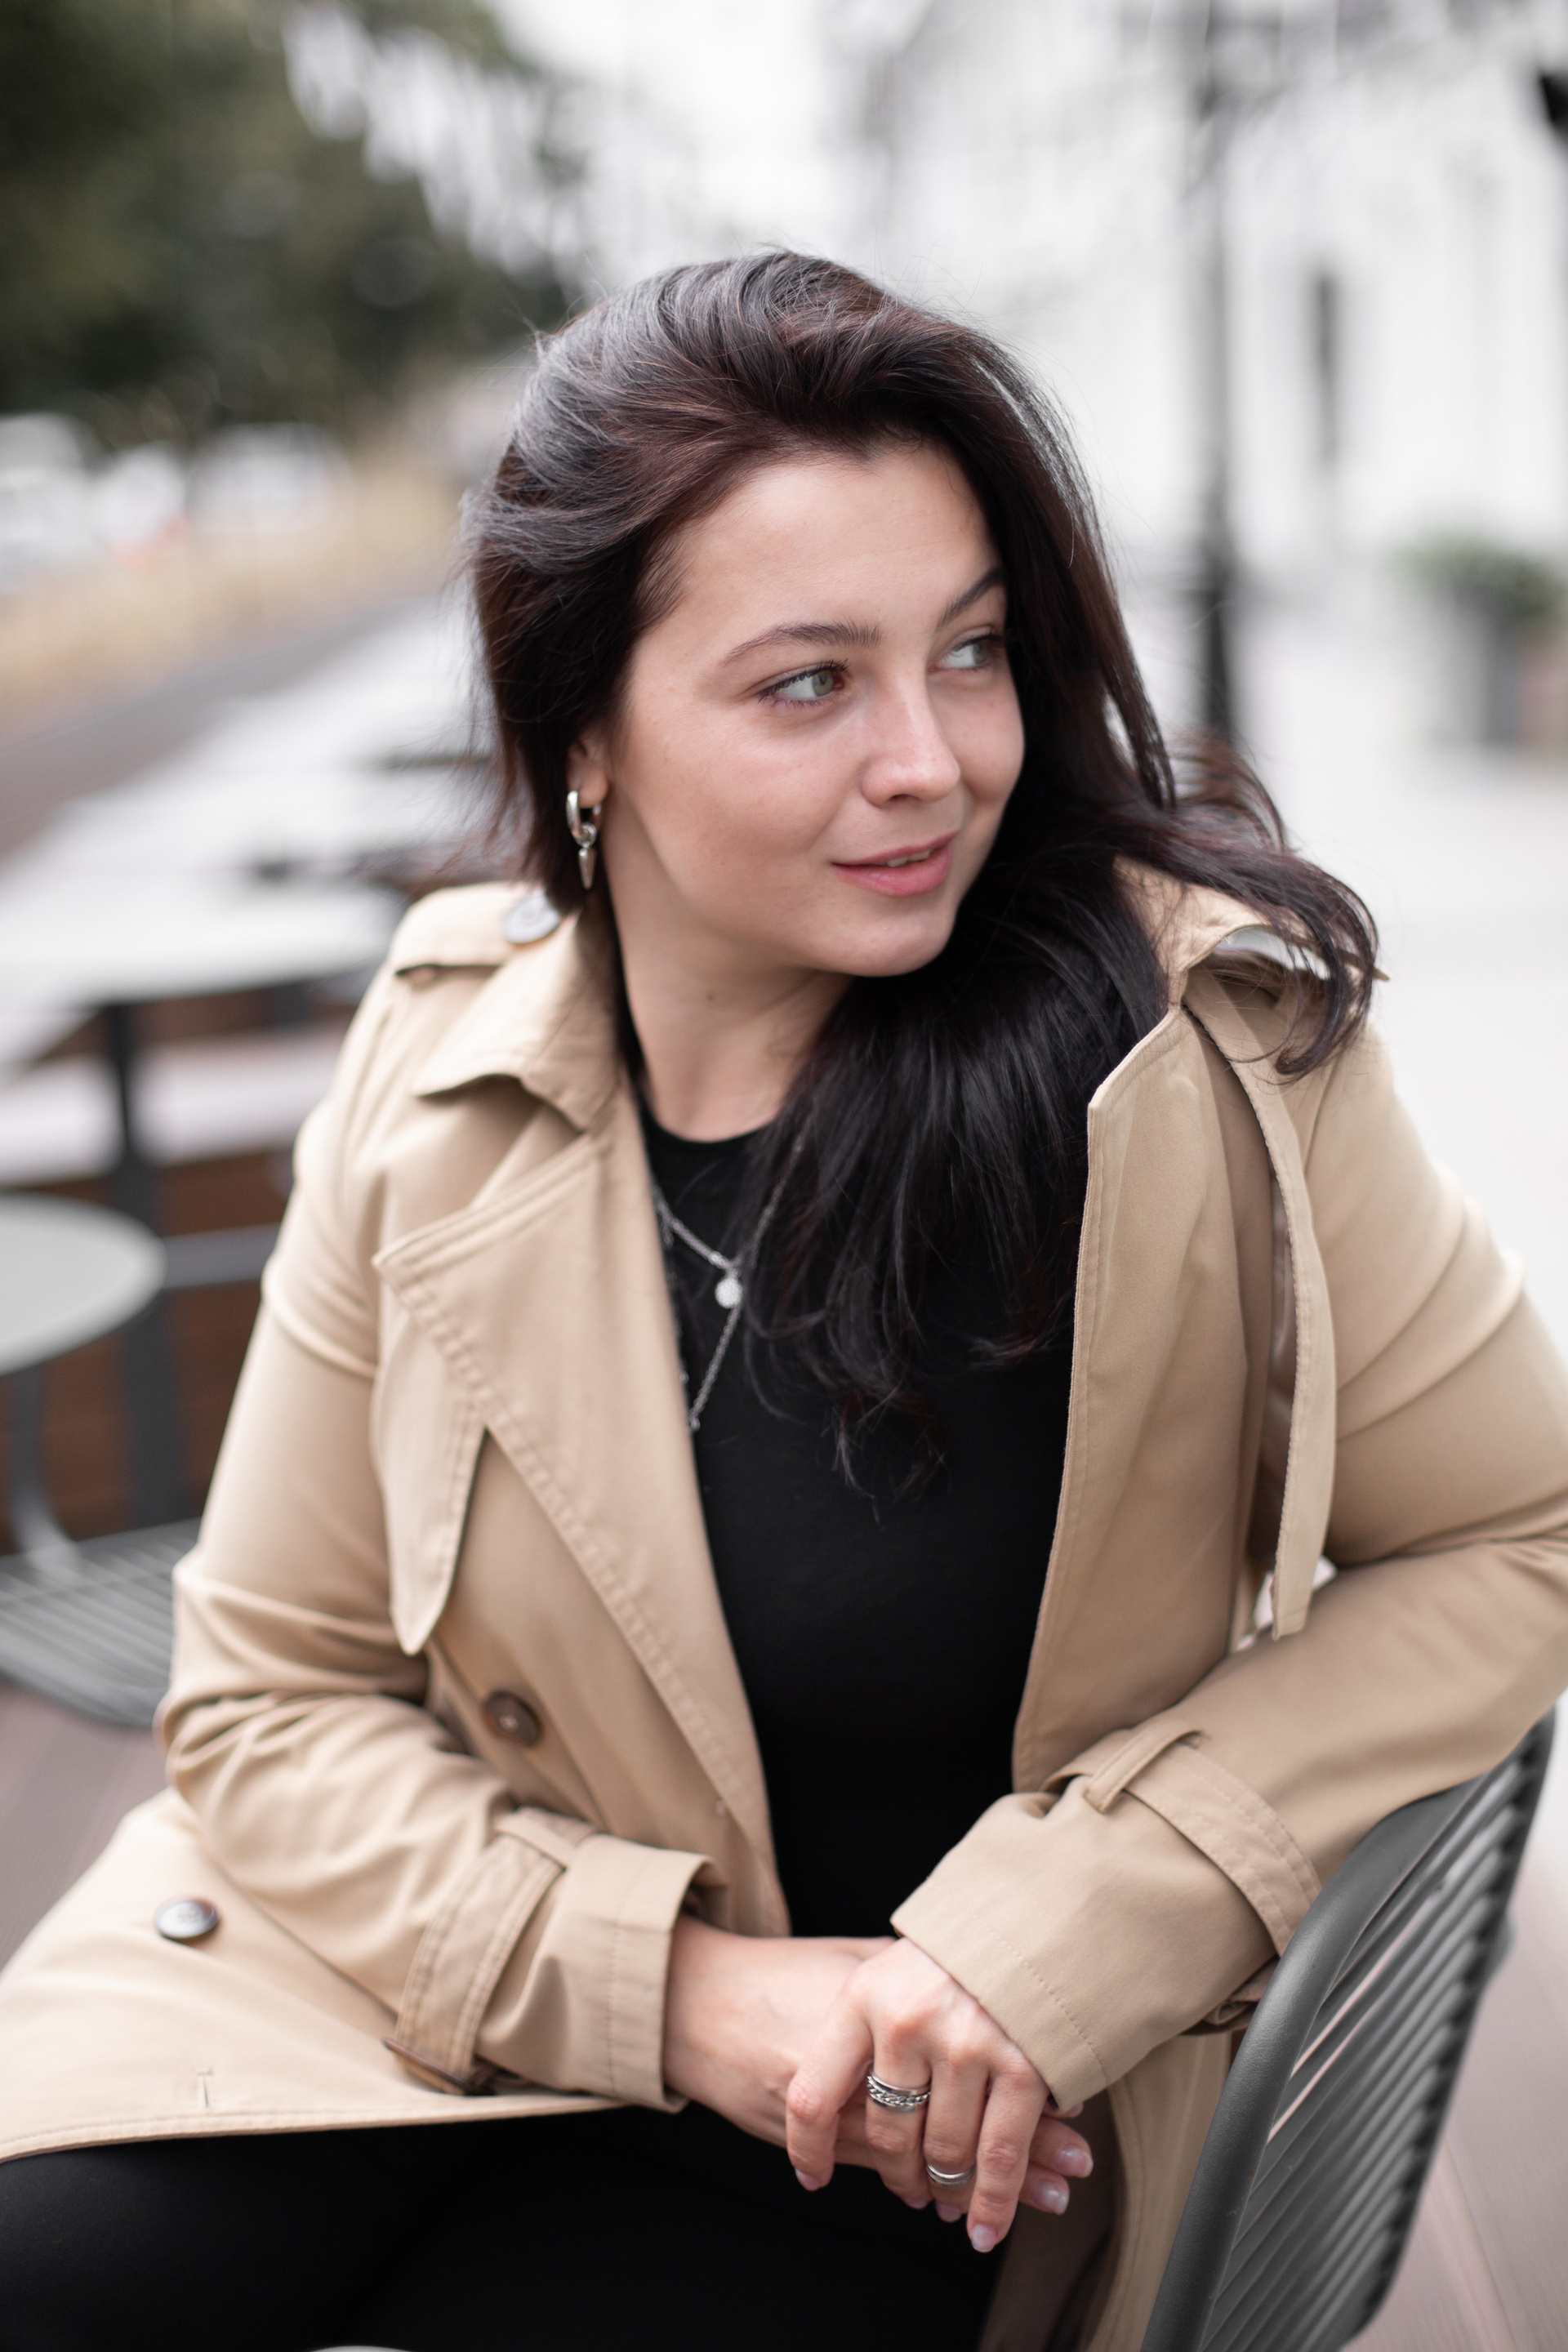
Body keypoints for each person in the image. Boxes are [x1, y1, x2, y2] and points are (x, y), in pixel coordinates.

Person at [1, 253, 1566, 2352]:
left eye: (972, 651)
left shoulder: (1197, 1065)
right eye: (809, 684)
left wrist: (1077, 1914)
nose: (932, 761)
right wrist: (680, 1993)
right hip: (398, 1998)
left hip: (912, 2119)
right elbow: (266, 1702)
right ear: (582, 727)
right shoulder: (439, 1068)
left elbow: (1520, 1530)